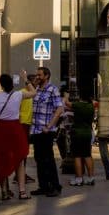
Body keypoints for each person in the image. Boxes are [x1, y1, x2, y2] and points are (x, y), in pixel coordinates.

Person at [0, 73, 36, 200]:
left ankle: (4, 191)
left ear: (1, 85)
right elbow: (33, 93)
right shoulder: (18, 94)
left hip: (1, 129)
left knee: (1, 158)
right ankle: (22, 192)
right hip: (15, 128)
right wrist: (26, 79)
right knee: (20, 159)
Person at [29, 67, 65, 197]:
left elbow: (59, 109)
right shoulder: (37, 90)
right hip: (36, 130)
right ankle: (43, 186)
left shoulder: (53, 90)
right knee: (39, 159)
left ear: (47, 76)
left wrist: (49, 126)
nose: (37, 77)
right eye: (37, 75)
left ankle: (55, 186)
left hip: (46, 131)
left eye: (39, 75)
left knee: (48, 159)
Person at [68, 94, 96, 187]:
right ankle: (91, 178)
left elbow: (66, 103)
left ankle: (79, 178)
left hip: (77, 133)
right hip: (88, 132)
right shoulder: (91, 106)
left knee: (77, 156)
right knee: (87, 155)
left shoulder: (78, 105)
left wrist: (65, 95)